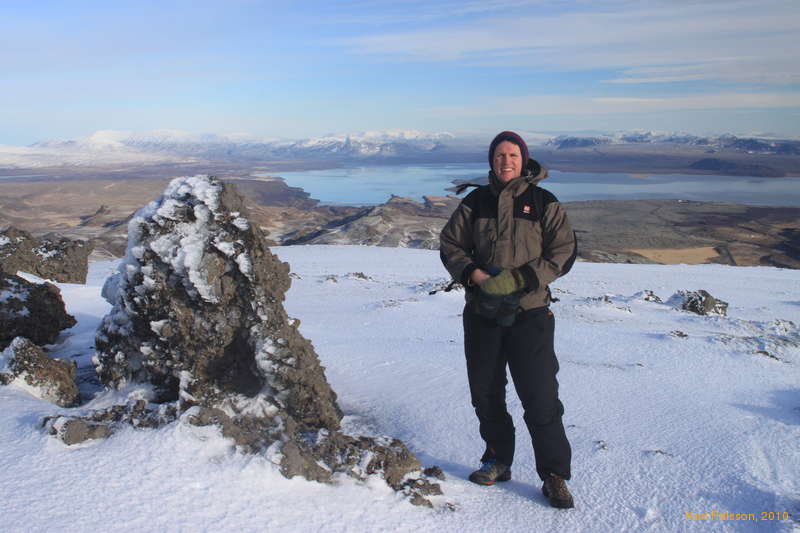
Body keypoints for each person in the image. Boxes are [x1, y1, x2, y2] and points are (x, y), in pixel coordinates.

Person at [439, 131, 577, 509]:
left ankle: (554, 476)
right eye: (500, 155)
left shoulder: (543, 203)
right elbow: (450, 244)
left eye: (512, 155)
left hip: (530, 313)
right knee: (485, 392)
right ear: (491, 160)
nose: (506, 161)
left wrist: (520, 279)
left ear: (524, 160)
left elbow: (563, 252)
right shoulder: (475, 202)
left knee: (540, 397)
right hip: (482, 312)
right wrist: (474, 275)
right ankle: (497, 459)